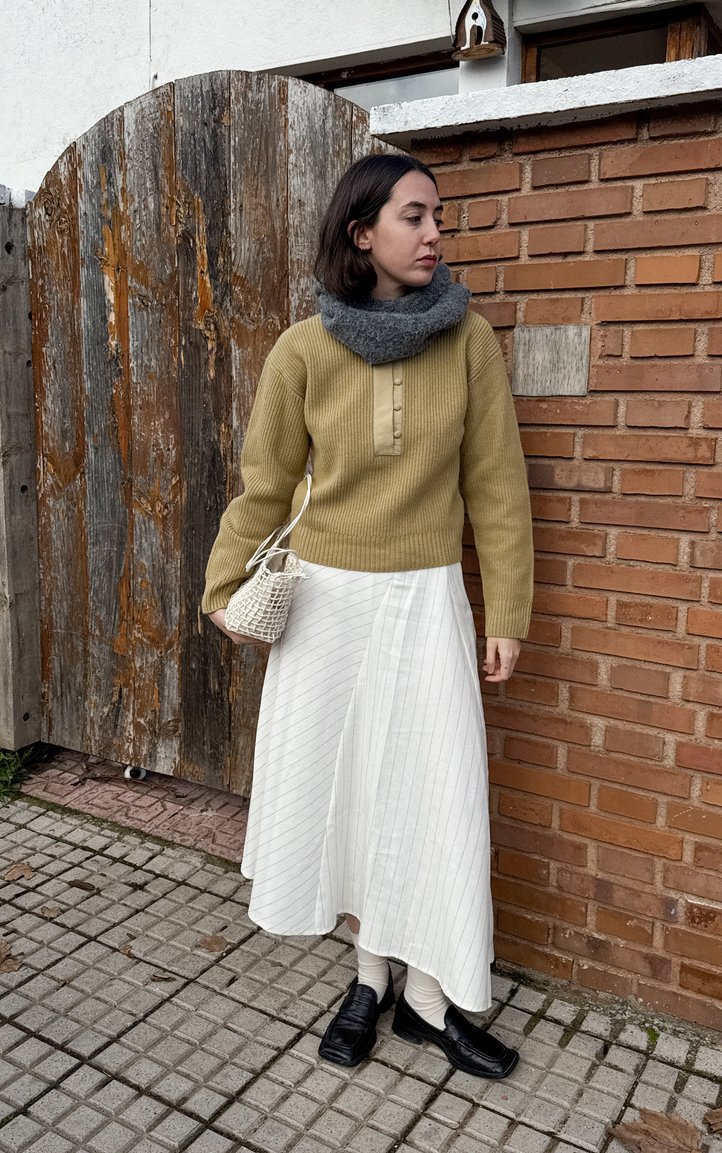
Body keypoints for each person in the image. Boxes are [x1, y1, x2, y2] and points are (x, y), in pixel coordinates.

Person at [202, 153, 533, 1079]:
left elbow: (498, 487)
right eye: (416, 217)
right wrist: (222, 587)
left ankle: (428, 1001)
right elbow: (264, 487)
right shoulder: (302, 351)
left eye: (440, 219)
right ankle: (367, 976)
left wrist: (504, 608)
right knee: (346, 795)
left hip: (428, 597)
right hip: (327, 608)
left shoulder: (468, 343)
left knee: (430, 793)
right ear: (363, 233)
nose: (436, 235)